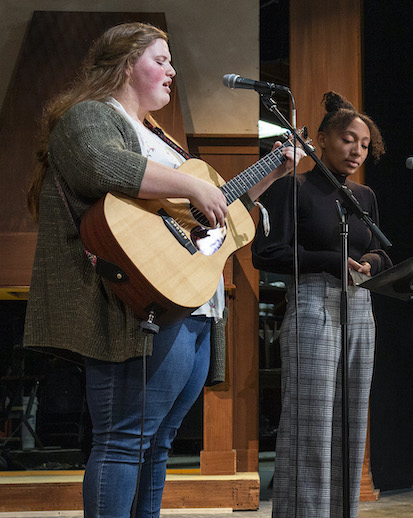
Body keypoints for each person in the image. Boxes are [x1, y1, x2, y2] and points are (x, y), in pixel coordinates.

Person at [22, 22, 298, 517]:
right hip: (131, 310)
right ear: (127, 64)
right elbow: (97, 164)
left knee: (159, 443)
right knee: (125, 439)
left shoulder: (160, 138)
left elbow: (212, 213)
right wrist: (194, 188)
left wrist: (272, 171)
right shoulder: (88, 117)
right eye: (161, 60)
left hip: (190, 306)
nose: (172, 71)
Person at [251, 91, 391, 518]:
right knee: (310, 426)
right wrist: (331, 261)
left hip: (360, 309)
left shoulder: (363, 197)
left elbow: (382, 252)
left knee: (350, 426)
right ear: (324, 139)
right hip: (313, 304)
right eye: (349, 139)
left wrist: (369, 261)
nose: (357, 150)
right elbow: (266, 254)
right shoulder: (291, 188)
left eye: (365, 145)